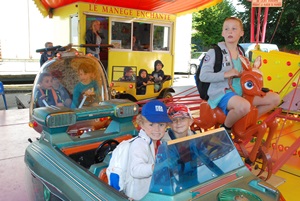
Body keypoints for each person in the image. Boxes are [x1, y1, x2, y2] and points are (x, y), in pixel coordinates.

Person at [199, 17, 280, 135]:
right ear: (222, 33)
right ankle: (226, 129)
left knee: (274, 98)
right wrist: (226, 74)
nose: (230, 31)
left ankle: (246, 122)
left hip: (242, 92)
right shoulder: (215, 52)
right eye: (226, 29)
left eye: (234, 29)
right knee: (244, 106)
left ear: (241, 33)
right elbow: (204, 76)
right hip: (222, 93)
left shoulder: (241, 52)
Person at [125, 100, 172, 200]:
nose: (157, 129)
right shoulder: (140, 143)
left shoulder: (161, 142)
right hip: (139, 196)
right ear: (142, 124)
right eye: (151, 125)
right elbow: (135, 170)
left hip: (154, 192)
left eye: (161, 124)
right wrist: (158, 166)